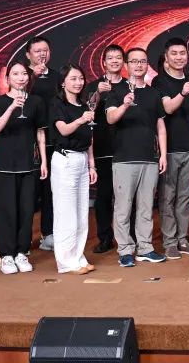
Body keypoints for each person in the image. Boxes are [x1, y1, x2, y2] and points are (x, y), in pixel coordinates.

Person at [106, 47, 167, 267]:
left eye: (142, 61)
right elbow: (110, 118)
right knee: (123, 207)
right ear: (127, 65)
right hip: (124, 158)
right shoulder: (116, 91)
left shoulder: (153, 93)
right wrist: (124, 104)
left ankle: (145, 248)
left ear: (147, 65)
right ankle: (125, 250)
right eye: (134, 61)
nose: (138, 65)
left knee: (146, 207)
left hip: (149, 158)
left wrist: (163, 154)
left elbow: (160, 126)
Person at [0, 62, 48, 275]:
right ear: (7, 79)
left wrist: (43, 161)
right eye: (15, 74)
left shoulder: (36, 102)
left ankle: (22, 252)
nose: (21, 77)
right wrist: (12, 106)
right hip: (4, 165)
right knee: (6, 211)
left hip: (28, 164)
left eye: (24, 73)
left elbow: (40, 133)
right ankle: (6, 255)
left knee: (26, 210)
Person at [153, 38, 189, 257]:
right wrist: (182, 93)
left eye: (182, 53)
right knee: (168, 197)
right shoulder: (160, 81)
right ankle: (170, 241)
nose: (179, 57)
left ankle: (182, 239)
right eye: (174, 53)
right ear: (166, 56)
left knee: (185, 197)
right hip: (171, 149)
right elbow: (168, 108)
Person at [48, 64, 99, 275]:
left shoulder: (83, 105)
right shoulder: (57, 104)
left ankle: (78, 257)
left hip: (81, 160)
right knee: (65, 214)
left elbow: (89, 138)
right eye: (73, 78)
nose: (78, 82)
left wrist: (92, 164)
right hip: (65, 159)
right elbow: (63, 130)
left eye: (80, 78)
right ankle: (66, 262)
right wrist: (81, 120)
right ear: (63, 82)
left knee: (81, 213)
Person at [81, 44, 124, 255]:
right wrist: (98, 93)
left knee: (126, 197)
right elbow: (87, 110)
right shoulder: (93, 86)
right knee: (104, 196)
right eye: (110, 58)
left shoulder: (129, 86)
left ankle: (127, 238)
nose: (114, 61)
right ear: (104, 62)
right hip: (102, 147)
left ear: (123, 61)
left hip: (125, 149)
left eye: (118, 57)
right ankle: (105, 238)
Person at [25, 36, 60, 252]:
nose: (41, 54)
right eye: (37, 51)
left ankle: (48, 233)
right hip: (29, 141)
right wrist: (31, 77)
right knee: (28, 192)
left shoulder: (57, 77)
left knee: (50, 190)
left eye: (45, 50)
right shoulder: (22, 76)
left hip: (53, 139)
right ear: (28, 54)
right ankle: (23, 239)